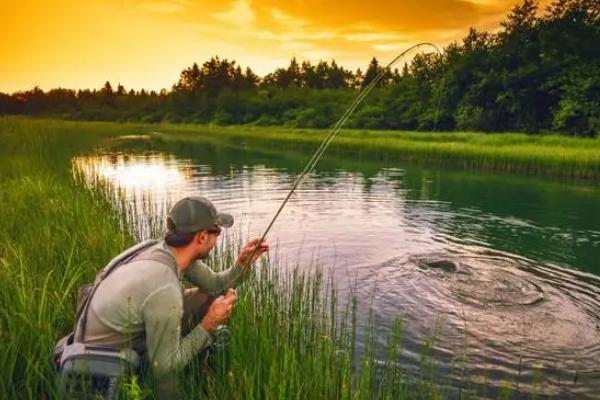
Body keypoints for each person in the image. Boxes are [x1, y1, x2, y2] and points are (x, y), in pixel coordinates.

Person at [80, 196, 268, 397]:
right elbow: (164, 367)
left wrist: (242, 265)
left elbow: (215, 286)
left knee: (208, 297)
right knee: (168, 370)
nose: (217, 239)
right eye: (217, 232)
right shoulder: (164, 287)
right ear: (202, 237)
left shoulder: (163, 249)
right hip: (105, 364)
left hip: (116, 334)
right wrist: (209, 324)